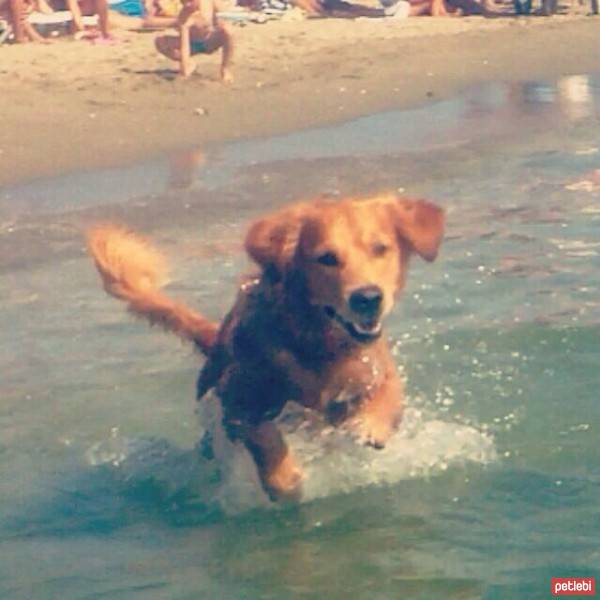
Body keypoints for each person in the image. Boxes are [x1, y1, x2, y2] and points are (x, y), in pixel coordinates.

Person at [155, 0, 233, 81]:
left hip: (209, 40)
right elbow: (184, 44)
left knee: (228, 30)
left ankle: (225, 69)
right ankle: (190, 63)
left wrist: (219, 22)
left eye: (190, 1)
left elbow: (223, 12)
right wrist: (184, 68)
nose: (187, 5)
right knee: (160, 41)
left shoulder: (208, 3)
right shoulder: (184, 16)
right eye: (183, 2)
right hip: (192, 44)